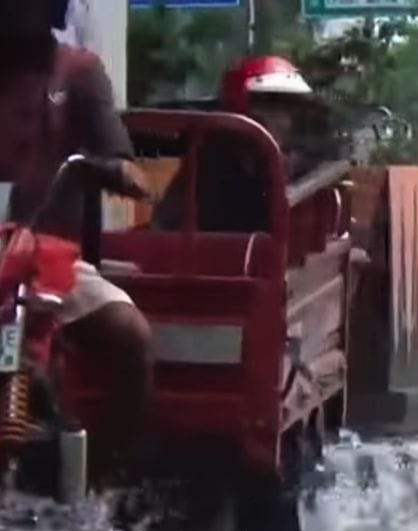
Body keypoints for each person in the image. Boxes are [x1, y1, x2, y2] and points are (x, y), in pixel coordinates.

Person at [0, 0, 154, 486]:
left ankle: (107, 480)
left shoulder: (78, 73)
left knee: (130, 334)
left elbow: (126, 163)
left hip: (48, 258)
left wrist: (109, 168)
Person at [154, 55, 322, 234]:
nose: (283, 118)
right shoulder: (213, 161)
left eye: (289, 106)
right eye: (269, 103)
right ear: (240, 106)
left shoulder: (298, 165)